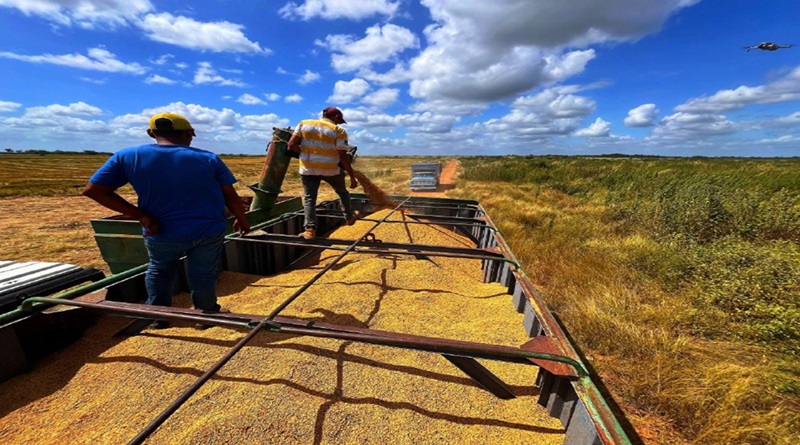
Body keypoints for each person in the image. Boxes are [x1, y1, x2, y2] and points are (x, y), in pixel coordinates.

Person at [83, 112, 251, 323]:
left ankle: (158, 317)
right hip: (207, 230)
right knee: (203, 273)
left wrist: (141, 215)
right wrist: (242, 219)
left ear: (151, 133)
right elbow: (231, 197)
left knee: (159, 271)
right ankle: (206, 315)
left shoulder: (128, 156)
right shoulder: (208, 158)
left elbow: (93, 190)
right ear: (189, 133)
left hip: (161, 231)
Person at [287, 107, 359, 240]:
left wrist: (304, 153)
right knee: (342, 192)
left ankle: (310, 230)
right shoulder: (338, 131)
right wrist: (352, 177)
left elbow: (291, 144)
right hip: (330, 169)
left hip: (308, 169)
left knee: (309, 199)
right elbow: (343, 155)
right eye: (339, 120)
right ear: (336, 117)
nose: (339, 123)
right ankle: (349, 217)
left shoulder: (304, 123)